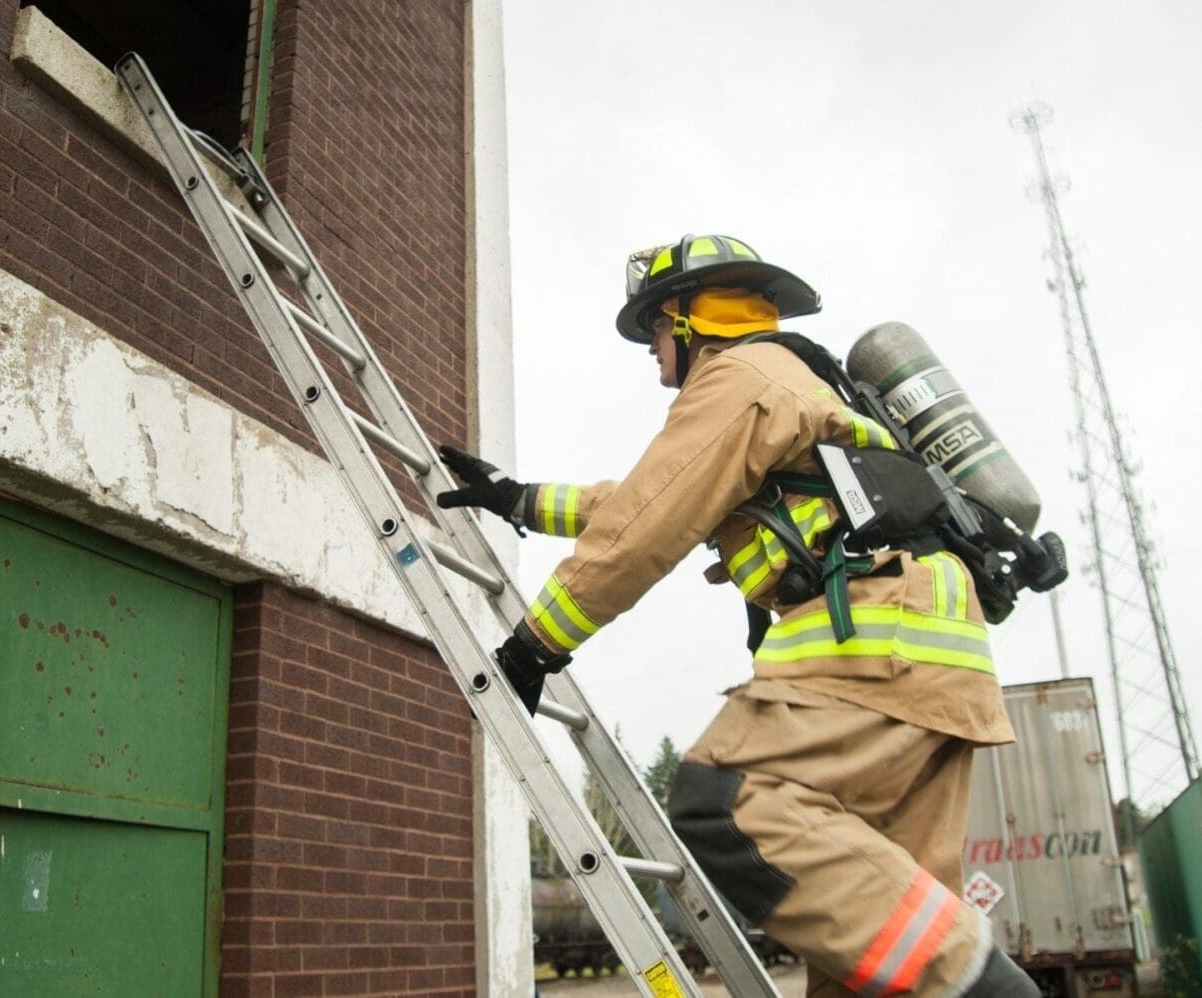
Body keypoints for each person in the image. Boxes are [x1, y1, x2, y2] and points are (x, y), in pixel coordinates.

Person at [438, 234, 1039, 996]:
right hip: (935, 659)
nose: (651, 351)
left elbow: (646, 525)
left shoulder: (738, 378)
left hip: (874, 641)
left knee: (729, 801)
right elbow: (643, 499)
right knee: (876, 948)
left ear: (692, 319)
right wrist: (517, 500)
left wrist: (533, 648)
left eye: (655, 328)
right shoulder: (784, 380)